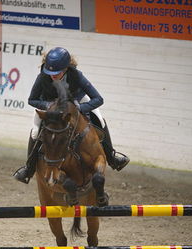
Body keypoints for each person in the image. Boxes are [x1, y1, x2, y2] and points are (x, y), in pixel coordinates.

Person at [13, 47, 129, 184]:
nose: (53, 75)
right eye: (51, 72)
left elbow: (98, 99)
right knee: (35, 132)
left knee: (100, 121)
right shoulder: (42, 77)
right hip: (51, 107)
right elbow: (32, 99)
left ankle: (112, 157)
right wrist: (49, 106)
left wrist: (80, 107)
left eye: (57, 72)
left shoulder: (77, 75)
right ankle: (29, 169)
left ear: (66, 68)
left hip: (77, 103)